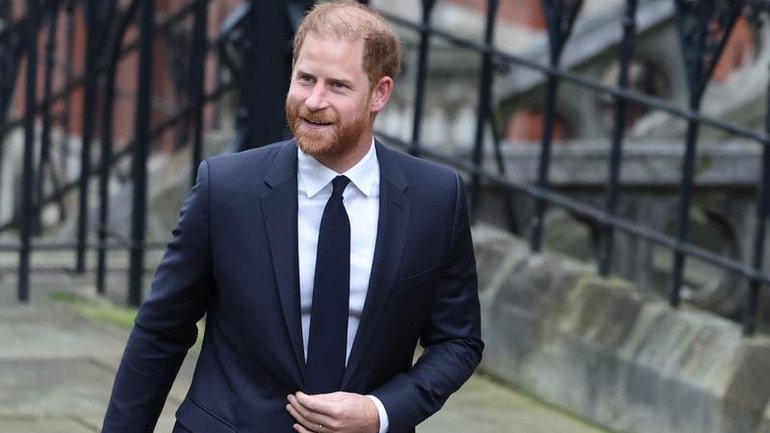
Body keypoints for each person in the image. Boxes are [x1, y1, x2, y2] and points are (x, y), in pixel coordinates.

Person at [101, 2, 482, 432]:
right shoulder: (225, 189)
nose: (313, 101)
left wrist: (380, 412)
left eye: (337, 85)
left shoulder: (436, 199)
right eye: (305, 79)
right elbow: (160, 332)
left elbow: (458, 341)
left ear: (380, 93)